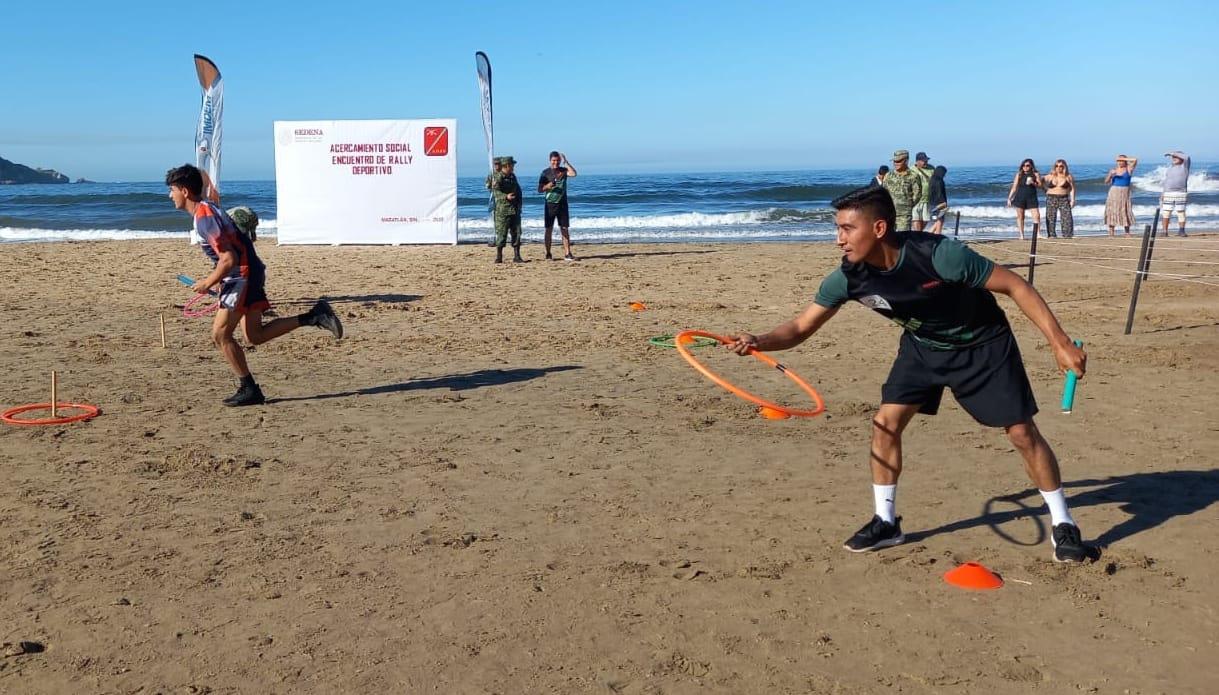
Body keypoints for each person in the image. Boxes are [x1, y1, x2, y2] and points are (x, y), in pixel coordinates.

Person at [726, 186, 1093, 564]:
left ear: (879, 228)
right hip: (922, 348)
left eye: (848, 229)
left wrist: (1059, 342)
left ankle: (1064, 523)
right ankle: (886, 522)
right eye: (837, 228)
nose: (839, 240)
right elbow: (802, 326)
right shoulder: (848, 278)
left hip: (982, 344)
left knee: (1021, 433)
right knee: (885, 423)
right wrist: (760, 340)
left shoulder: (939, 256)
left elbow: (1015, 285)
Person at [165, 164, 342, 406]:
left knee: (220, 335)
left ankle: (249, 389)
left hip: (243, 275)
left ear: (184, 191)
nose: (169, 195)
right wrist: (218, 281)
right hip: (247, 273)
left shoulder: (204, 217)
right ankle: (315, 316)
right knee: (254, 336)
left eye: (172, 189)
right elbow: (229, 253)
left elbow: (229, 259)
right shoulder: (207, 207)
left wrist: (208, 281)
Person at [538, 151, 579, 261]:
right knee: (548, 229)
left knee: (564, 228)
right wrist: (548, 185)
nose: (555, 162)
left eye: (557, 160)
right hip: (550, 204)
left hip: (562, 204)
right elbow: (539, 189)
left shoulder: (564, 171)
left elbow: (574, 173)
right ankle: (548, 253)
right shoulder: (545, 173)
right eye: (553, 161)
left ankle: (567, 253)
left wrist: (566, 162)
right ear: (550, 160)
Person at [492, 155, 524, 263]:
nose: (513, 167)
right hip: (503, 210)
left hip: (514, 209)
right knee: (502, 234)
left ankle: (517, 256)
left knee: (517, 232)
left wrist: (520, 203)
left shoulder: (513, 177)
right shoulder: (498, 177)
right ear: (506, 166)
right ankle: (499, 256)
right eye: (511, 165)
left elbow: (518, 190)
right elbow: (496, 192)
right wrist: (506, 196)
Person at [881, 150, 922, 231]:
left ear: (906, 160)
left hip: (904, 215)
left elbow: (917, 194)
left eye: (899, 161)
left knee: (903, 237)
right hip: (889, 213)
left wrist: (907, 204)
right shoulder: (888, 175)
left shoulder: (913, 176)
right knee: (889, 238)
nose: (896, 163)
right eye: (894, 161)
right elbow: (883, 192)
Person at [1006, 159, 1042, 240]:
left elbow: (1040, 185)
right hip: (1020, 197)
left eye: (1027, 165)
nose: (1025, 167)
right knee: (1020, 217)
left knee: (1037, 216)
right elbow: (1014, 187)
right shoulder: (1019, 174)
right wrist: (1009, 198)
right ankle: (1021, 235)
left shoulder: (1035, 174)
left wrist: (1033, 182)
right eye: (1023, 165)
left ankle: (1038, 234)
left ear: (1031, 166)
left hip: (1032, 197)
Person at [1103, 155, 1138, 236]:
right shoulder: (1113, 170)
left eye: (1121, 160)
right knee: (1112, 210)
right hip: (1114, 191)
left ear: (1125, 161)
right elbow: (1106, 182)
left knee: (1125, 210)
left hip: (1125, 192)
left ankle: (1127, 232)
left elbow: (1135, 160)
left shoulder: (1128, 169)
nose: (1120, 162)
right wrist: (1110, 175)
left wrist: (1123, 158)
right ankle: (1111, 231)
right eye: (1118, 161)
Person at [1041, 160, 1076, 239]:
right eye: (1057, 166)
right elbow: (1040, 181)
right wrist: (1044, 189)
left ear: (1064, 167)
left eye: (1061, 166)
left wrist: (1073, 199)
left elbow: (1073, 189)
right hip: (1051, 198)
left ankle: (1067, 234)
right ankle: (1051, 234)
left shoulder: (1068, 176)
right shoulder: (1050, 176)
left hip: (1064, 198)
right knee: (1050, 217)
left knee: (1067, 217)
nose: (1058, 168)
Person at [1161, 151, 1190, 237]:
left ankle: (1181, 231)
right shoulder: (1170, 168)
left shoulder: (1184, 166)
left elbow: (1187, 157)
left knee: (1181, 212)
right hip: (1168, 193)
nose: (1173, 158)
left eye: (1176, 157)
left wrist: (1172, 153)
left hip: (1181, 193)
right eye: (1173, 157)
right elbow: (1166, 181)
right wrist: (1163, 193)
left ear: (1181, 158)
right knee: (1166, 212)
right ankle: (1165, 231)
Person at [911, 152, 934, 231]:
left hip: (927, 199)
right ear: (918, 161)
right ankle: (918, 237)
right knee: (916, 219)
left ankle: (919, 235)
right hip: (915, 200)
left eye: (926, 160)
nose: (926, 162)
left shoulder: (931, 168)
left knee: (926, 219)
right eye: (924, 161)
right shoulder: (911, 170)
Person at [484, 157, 503, 246]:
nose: (497, 166)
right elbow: (487, 186)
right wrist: (491, 185)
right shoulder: (491, 175)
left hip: (503, 201)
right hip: (495, 200)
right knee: (495, 220)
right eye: (495, 164)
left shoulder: (504, 174)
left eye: (498, 164)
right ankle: (496, 238)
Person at [927, 165, 949, 235]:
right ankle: (937, 237)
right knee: (939, 222)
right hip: (939, 205)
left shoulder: (932, 179)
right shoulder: (939, 181)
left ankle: (928, 235)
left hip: (931, 204)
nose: (944, 175)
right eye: (944, 173)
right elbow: (940, 194)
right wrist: (944, 204)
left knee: (937, 222)